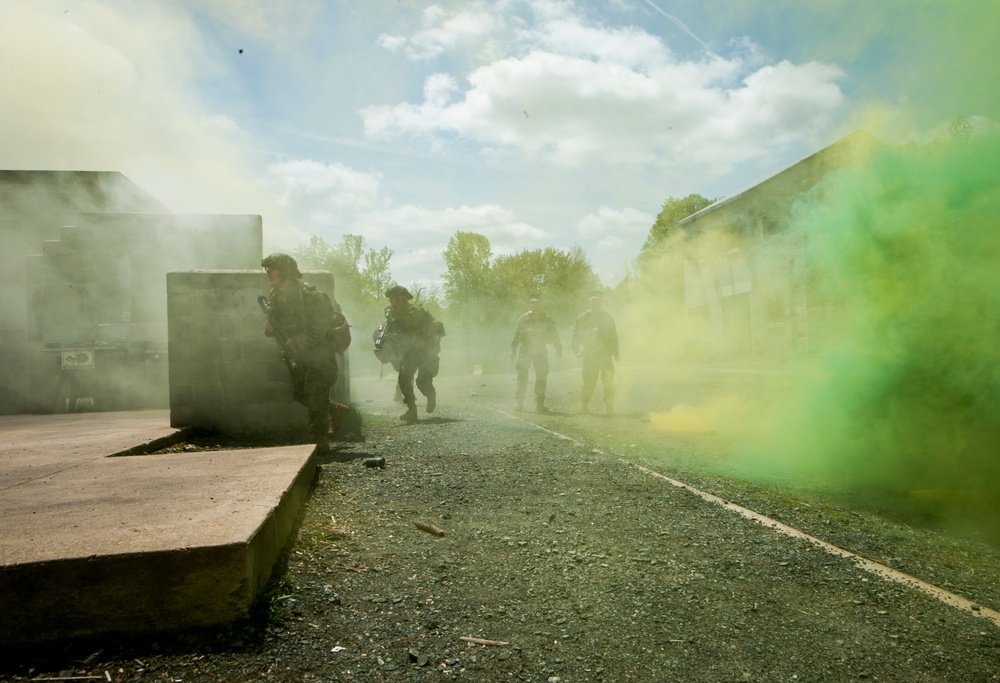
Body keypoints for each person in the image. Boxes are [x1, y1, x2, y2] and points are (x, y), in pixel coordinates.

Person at [261, 253, 340, 453]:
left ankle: (320, 438)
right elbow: (279, 324)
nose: (268, 273)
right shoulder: (274, 294)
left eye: (273, 269)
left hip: (318, 354)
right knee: (301, 394)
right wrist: (270, 329)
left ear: (286, 271)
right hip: (296, 354)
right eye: (267, 270)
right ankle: (335, 411)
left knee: (314, 393)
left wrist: (297, 341)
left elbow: (320, 328)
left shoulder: (309, 295)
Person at [384, 285, 445, 423]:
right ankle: (412, 410)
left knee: (422, 382)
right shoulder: (390, 312)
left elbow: (432, 325)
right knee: (404, 378)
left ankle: (431, 394)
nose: (390, 302)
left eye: (392, 298)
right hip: (410, 351)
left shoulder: (415, 312)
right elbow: (390, 329)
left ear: (401, 300)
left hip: (424, 350)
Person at [510, 294, 562, 412]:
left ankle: (540, 403)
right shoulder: (524, 318)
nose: (535, 305)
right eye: (533, 303)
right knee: (522, 375)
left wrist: (559, 348)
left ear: (541, 305)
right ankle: (519, 402)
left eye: (537, 303)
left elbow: (554, 335)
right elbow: (517, 334)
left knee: (542, 376)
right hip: (525, 350)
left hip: (540, 351)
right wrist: (513, 348)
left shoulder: (547, 319)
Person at [571, 289, 619, 415]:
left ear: (601, 302)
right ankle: (584, 405)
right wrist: (577, 351)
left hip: (604, 354)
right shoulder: (582, 318)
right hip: (589, 355)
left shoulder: (607, 317)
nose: (595, 303)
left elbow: (614, 335)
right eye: (593, 301)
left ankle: (609, 406)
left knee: (609, 381)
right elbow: (575, 336)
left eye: (597, 301)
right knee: (589, 382)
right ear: (589, 302)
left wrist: (616, 352)